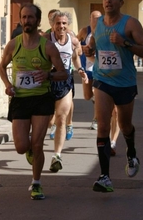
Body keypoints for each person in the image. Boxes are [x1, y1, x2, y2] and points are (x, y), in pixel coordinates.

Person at [83, 0, 143, 193]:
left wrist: (125, 43)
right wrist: (89, 50)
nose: (108, 0)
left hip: (125, 82)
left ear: (121, 2)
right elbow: (94, 43)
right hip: (103, 79)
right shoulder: (98, 23)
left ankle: (131, 152)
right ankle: (104, 176)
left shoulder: (130, 23)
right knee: (103, 125)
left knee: (125, 124)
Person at [0, 3, 68, 200]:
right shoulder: (14, 44)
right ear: (20, 20)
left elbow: (63, 73)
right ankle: (29, 150)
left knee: (38, 144)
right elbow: (2, 67)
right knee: (21, 146)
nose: (27, 21)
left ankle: (36, 183)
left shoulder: (48, 46)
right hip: (20, 99)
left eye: (30, 18)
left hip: (41, 99)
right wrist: (7, 85)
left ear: (37, 21)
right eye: (24, 17)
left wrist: (48, 75)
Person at [43, 10, 88, 173]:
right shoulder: (46, 39)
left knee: (61, 117)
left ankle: (57, 155)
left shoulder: (73, 41)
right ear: (52, 25)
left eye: (64, 23)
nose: (61, 26)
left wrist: (81, 70)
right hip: (48, 81)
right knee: (47, 121)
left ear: (68, 25)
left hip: (65, 81)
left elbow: (75, 58)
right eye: (58, 23)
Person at [77, 10, 102, 130]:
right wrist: (84, 48)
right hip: (87, 67)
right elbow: (75, 44)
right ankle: (95, 99)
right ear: (90, 19)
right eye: (94, 17)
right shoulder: (84, 31)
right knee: (87, 96)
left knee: (97, 94)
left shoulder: (104, 30)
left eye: (99, 18)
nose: (96, 20)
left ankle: (96, 119)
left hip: (100, 68)